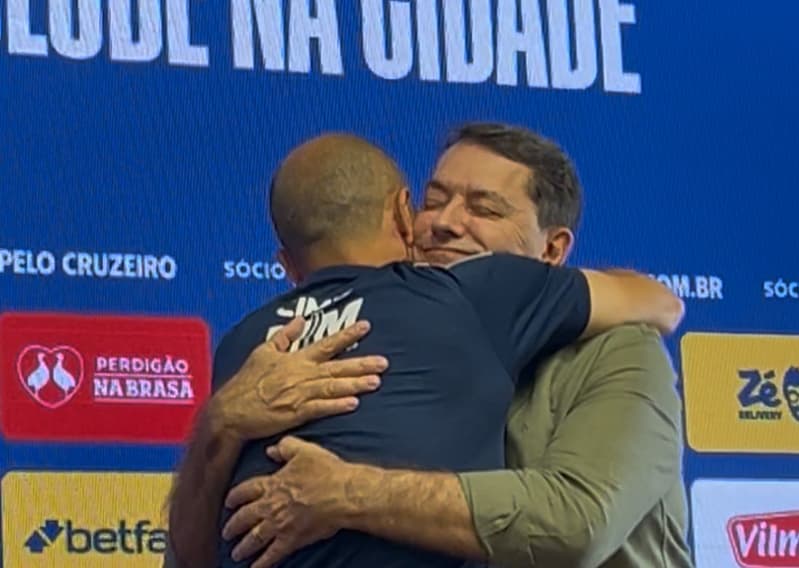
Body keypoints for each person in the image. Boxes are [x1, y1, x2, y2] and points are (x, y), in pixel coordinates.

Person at [165, 132, 684, 568]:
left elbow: (577, 522)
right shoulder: (307, 352)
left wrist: (348, 493)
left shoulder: (618, 350)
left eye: (483, 208)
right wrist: (221, 423)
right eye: (432, 200)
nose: (443, 222)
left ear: (552, 251)